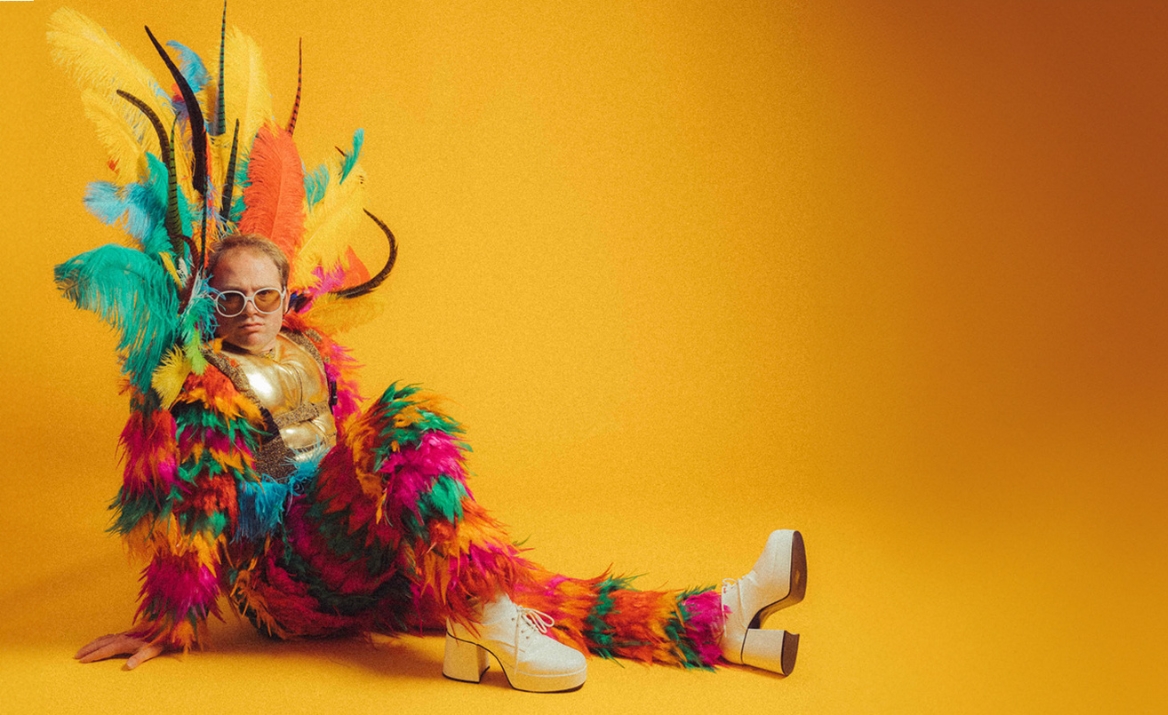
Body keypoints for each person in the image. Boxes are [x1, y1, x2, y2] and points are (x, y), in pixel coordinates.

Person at [51, 7, 806, 692]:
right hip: (286, 580)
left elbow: (362, 468)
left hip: (353, 548)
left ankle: (723, 619)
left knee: (515, 584)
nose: (249, 312)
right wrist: (165, 622)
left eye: (265, 295)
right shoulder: (204, 382)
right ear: (208, 302)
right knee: (404, 422)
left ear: (291, 295)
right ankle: (487, 625)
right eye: (230, 298)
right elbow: (199, 512)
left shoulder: (310, 354)